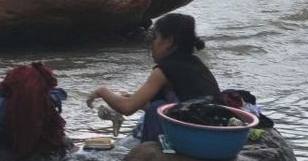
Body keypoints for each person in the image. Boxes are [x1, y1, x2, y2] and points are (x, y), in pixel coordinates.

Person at [86, 13, 221, 143]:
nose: (152, 44)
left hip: (195, 136)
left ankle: (154, 148)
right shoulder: (196, 63)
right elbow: (181, 103)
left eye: (155, 38)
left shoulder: (163, 70)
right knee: (157, 106)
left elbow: (127, 108)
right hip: (216, 133)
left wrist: (102, 91)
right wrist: (134, 98)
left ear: (168, 42)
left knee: (156, 108)